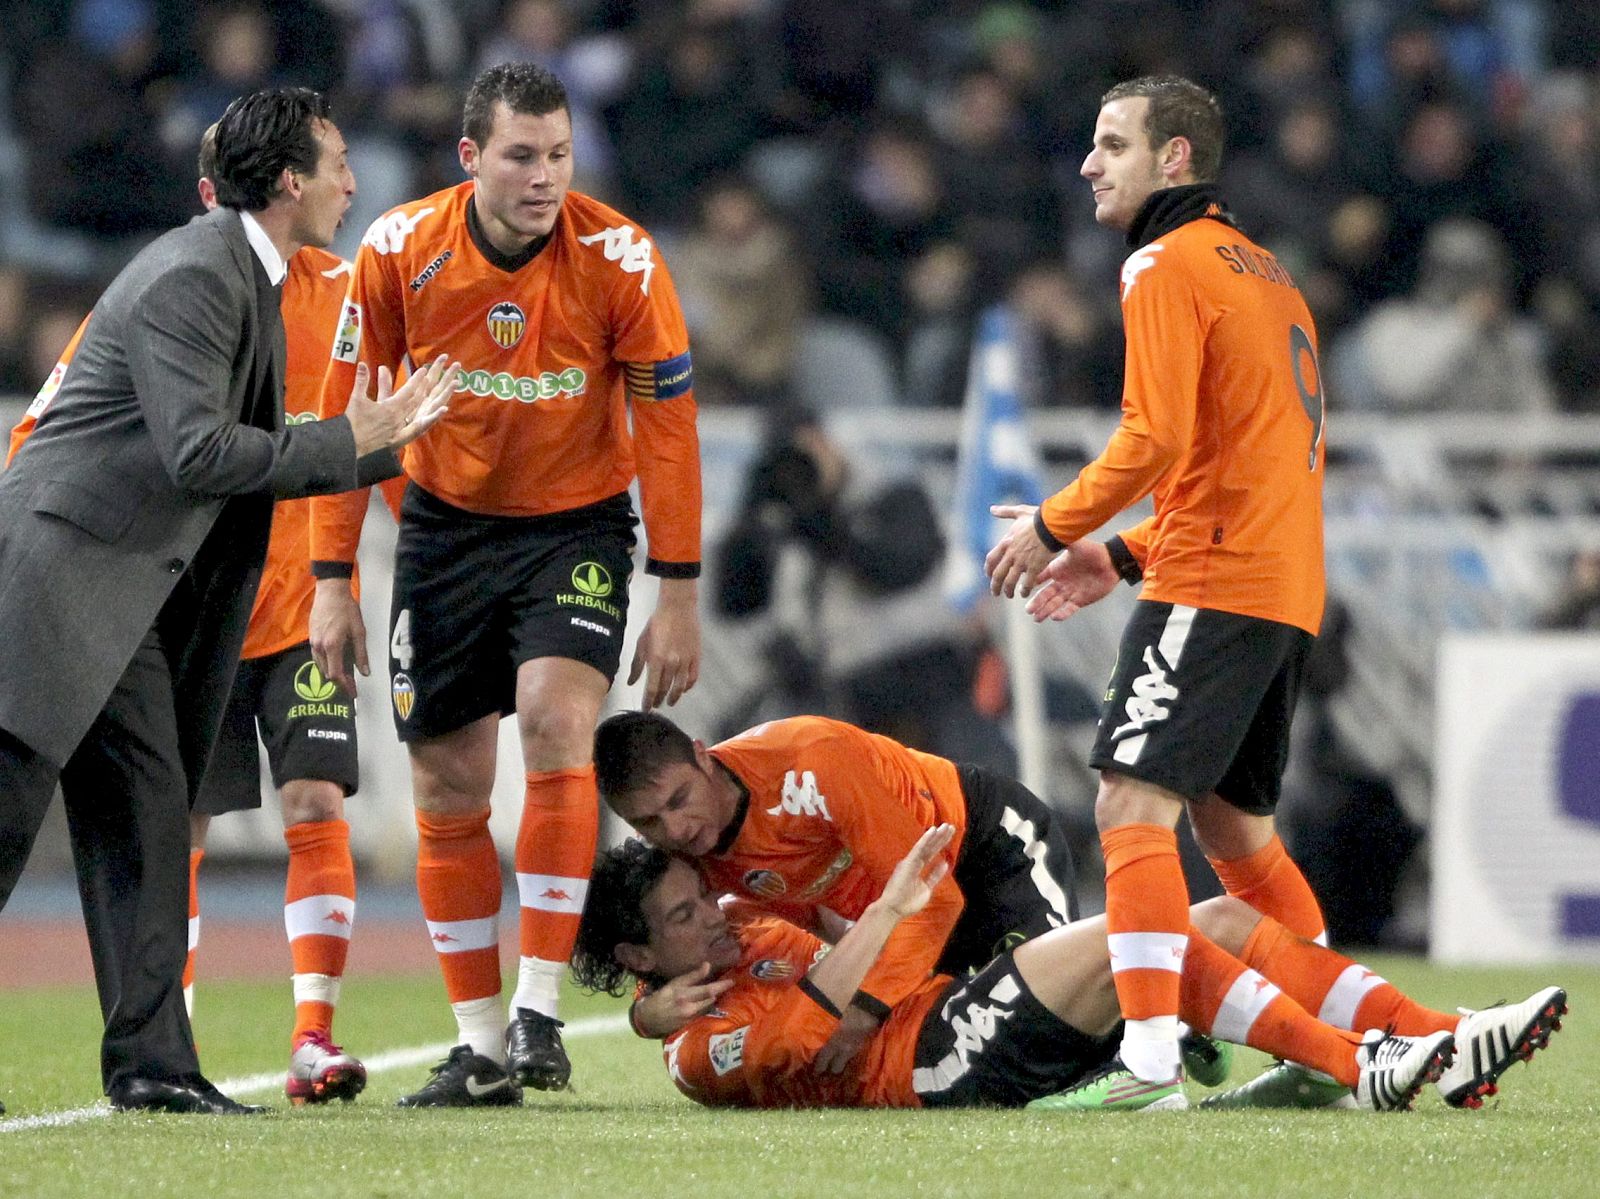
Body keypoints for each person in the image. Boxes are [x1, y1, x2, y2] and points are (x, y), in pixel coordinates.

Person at [980, 74, 1444, 1104]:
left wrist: (1058, 524)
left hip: (1217, 577)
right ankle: (1325, 1036)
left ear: (1173, 159)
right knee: (1234, 833)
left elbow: (1155, 438)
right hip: (1281, 583)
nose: (1090, 162)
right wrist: (1121, 554)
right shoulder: (1268, 273)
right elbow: (1240, 459)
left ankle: (1147, 1058)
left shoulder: (1160, 259)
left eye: (1111, 143)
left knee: (1126, 800)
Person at [0, 87, 457, 1116]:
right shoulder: (195, 275)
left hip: (122, 594)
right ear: (289, 179)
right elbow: (198, 451)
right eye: (335, 163)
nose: (352, 181)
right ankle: (154, 1056)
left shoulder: (250, 276)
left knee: (151, 817)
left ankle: (154, 1063)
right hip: (59, 577)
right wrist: (354, 438)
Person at [307, 61, 703, 1107]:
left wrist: (678, 587)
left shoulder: (620, 256)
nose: (543, 177)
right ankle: (479, 1042)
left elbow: (667, 429)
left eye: (559, 155)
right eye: (522, 156)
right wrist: (330, 578)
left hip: (574, 525)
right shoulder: (396, 249)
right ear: (469, 155)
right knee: (447, 784)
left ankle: (538, 1006)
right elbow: (350, 417)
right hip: (440, 530)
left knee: (554, 720)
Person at [572, 827, 1565, 1112]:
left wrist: (642, 1007)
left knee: (1209, 912)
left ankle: (1438, 1031)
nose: (712, 918)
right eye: (680, 916)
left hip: (949, 1017)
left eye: (700, 896)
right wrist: (886, 912)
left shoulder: (737, 934)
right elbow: (830, 1029)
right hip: (931, 1068)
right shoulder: (700, 1054)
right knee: (1131, 934)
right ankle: (1360, 1063)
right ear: (634, 955)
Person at [593, 710, 1078, 1071]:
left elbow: (937, 897)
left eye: (680, 800)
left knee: (1055, 1007)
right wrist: (644, 1015)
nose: (675, 829)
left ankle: (1147, 1055)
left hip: (987, 848)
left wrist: (863, 1010)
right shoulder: (686, 852)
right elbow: (662, 943)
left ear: (703, 756)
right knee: (992, 1046)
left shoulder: (812, 761)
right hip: (909, 918)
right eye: (647, 821)